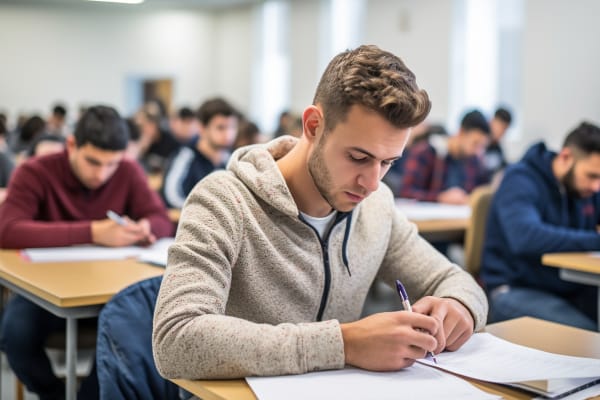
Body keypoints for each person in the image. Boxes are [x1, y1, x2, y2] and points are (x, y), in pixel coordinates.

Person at [152, 45, 487, 380]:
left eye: (387, 163)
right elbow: (175, 339)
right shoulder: (223, 201)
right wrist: (344, 344)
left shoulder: (377, 205)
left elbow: (455, 281)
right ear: (313, 126)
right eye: (358, 157)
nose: (372, 183)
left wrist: (459, 307)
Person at [0, 105, 174, 400]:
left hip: (107, 292)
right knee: (14, 334)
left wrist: (146, 227)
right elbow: (7, 229)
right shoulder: (35, 171)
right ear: (71, 145)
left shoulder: (128, 171)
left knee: (128, 335)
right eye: (93, 162)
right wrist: (93, 232)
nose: (102, 174)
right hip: (47, 290)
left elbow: (161, 219)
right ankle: (54, 395)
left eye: (111, 164)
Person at [481, 121, 600, 332]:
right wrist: (594, 239)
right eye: (592, 176)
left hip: (569, 288)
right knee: (588, 334)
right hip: (515, 289)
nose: (596, 186)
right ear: (565, 157)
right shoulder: (520, 179)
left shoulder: (586, 190)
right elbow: (526, 238)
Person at [160, 97, 240, 209]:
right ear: (202, 128)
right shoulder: (185, 156)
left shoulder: (234, 159)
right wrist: (203, 212)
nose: (228, 134)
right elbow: (171, 197)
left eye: (232, 127)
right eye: (220, 128)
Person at [399, 109, 491, 204]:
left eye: (482, 146)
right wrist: (439, 198)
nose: (477, 151)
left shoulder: (473, 161)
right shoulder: (426, 153)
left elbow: (480, 191)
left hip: (461, 217)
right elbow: (406, 192)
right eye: (475, 143)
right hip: (430, 217)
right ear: (461, 132)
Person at [483, 106, 512, 179]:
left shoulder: (497, 148)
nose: (503, 132)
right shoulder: (478, 146)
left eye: (505, 129)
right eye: (501, 127)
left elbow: (504, 168)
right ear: (492, 121)